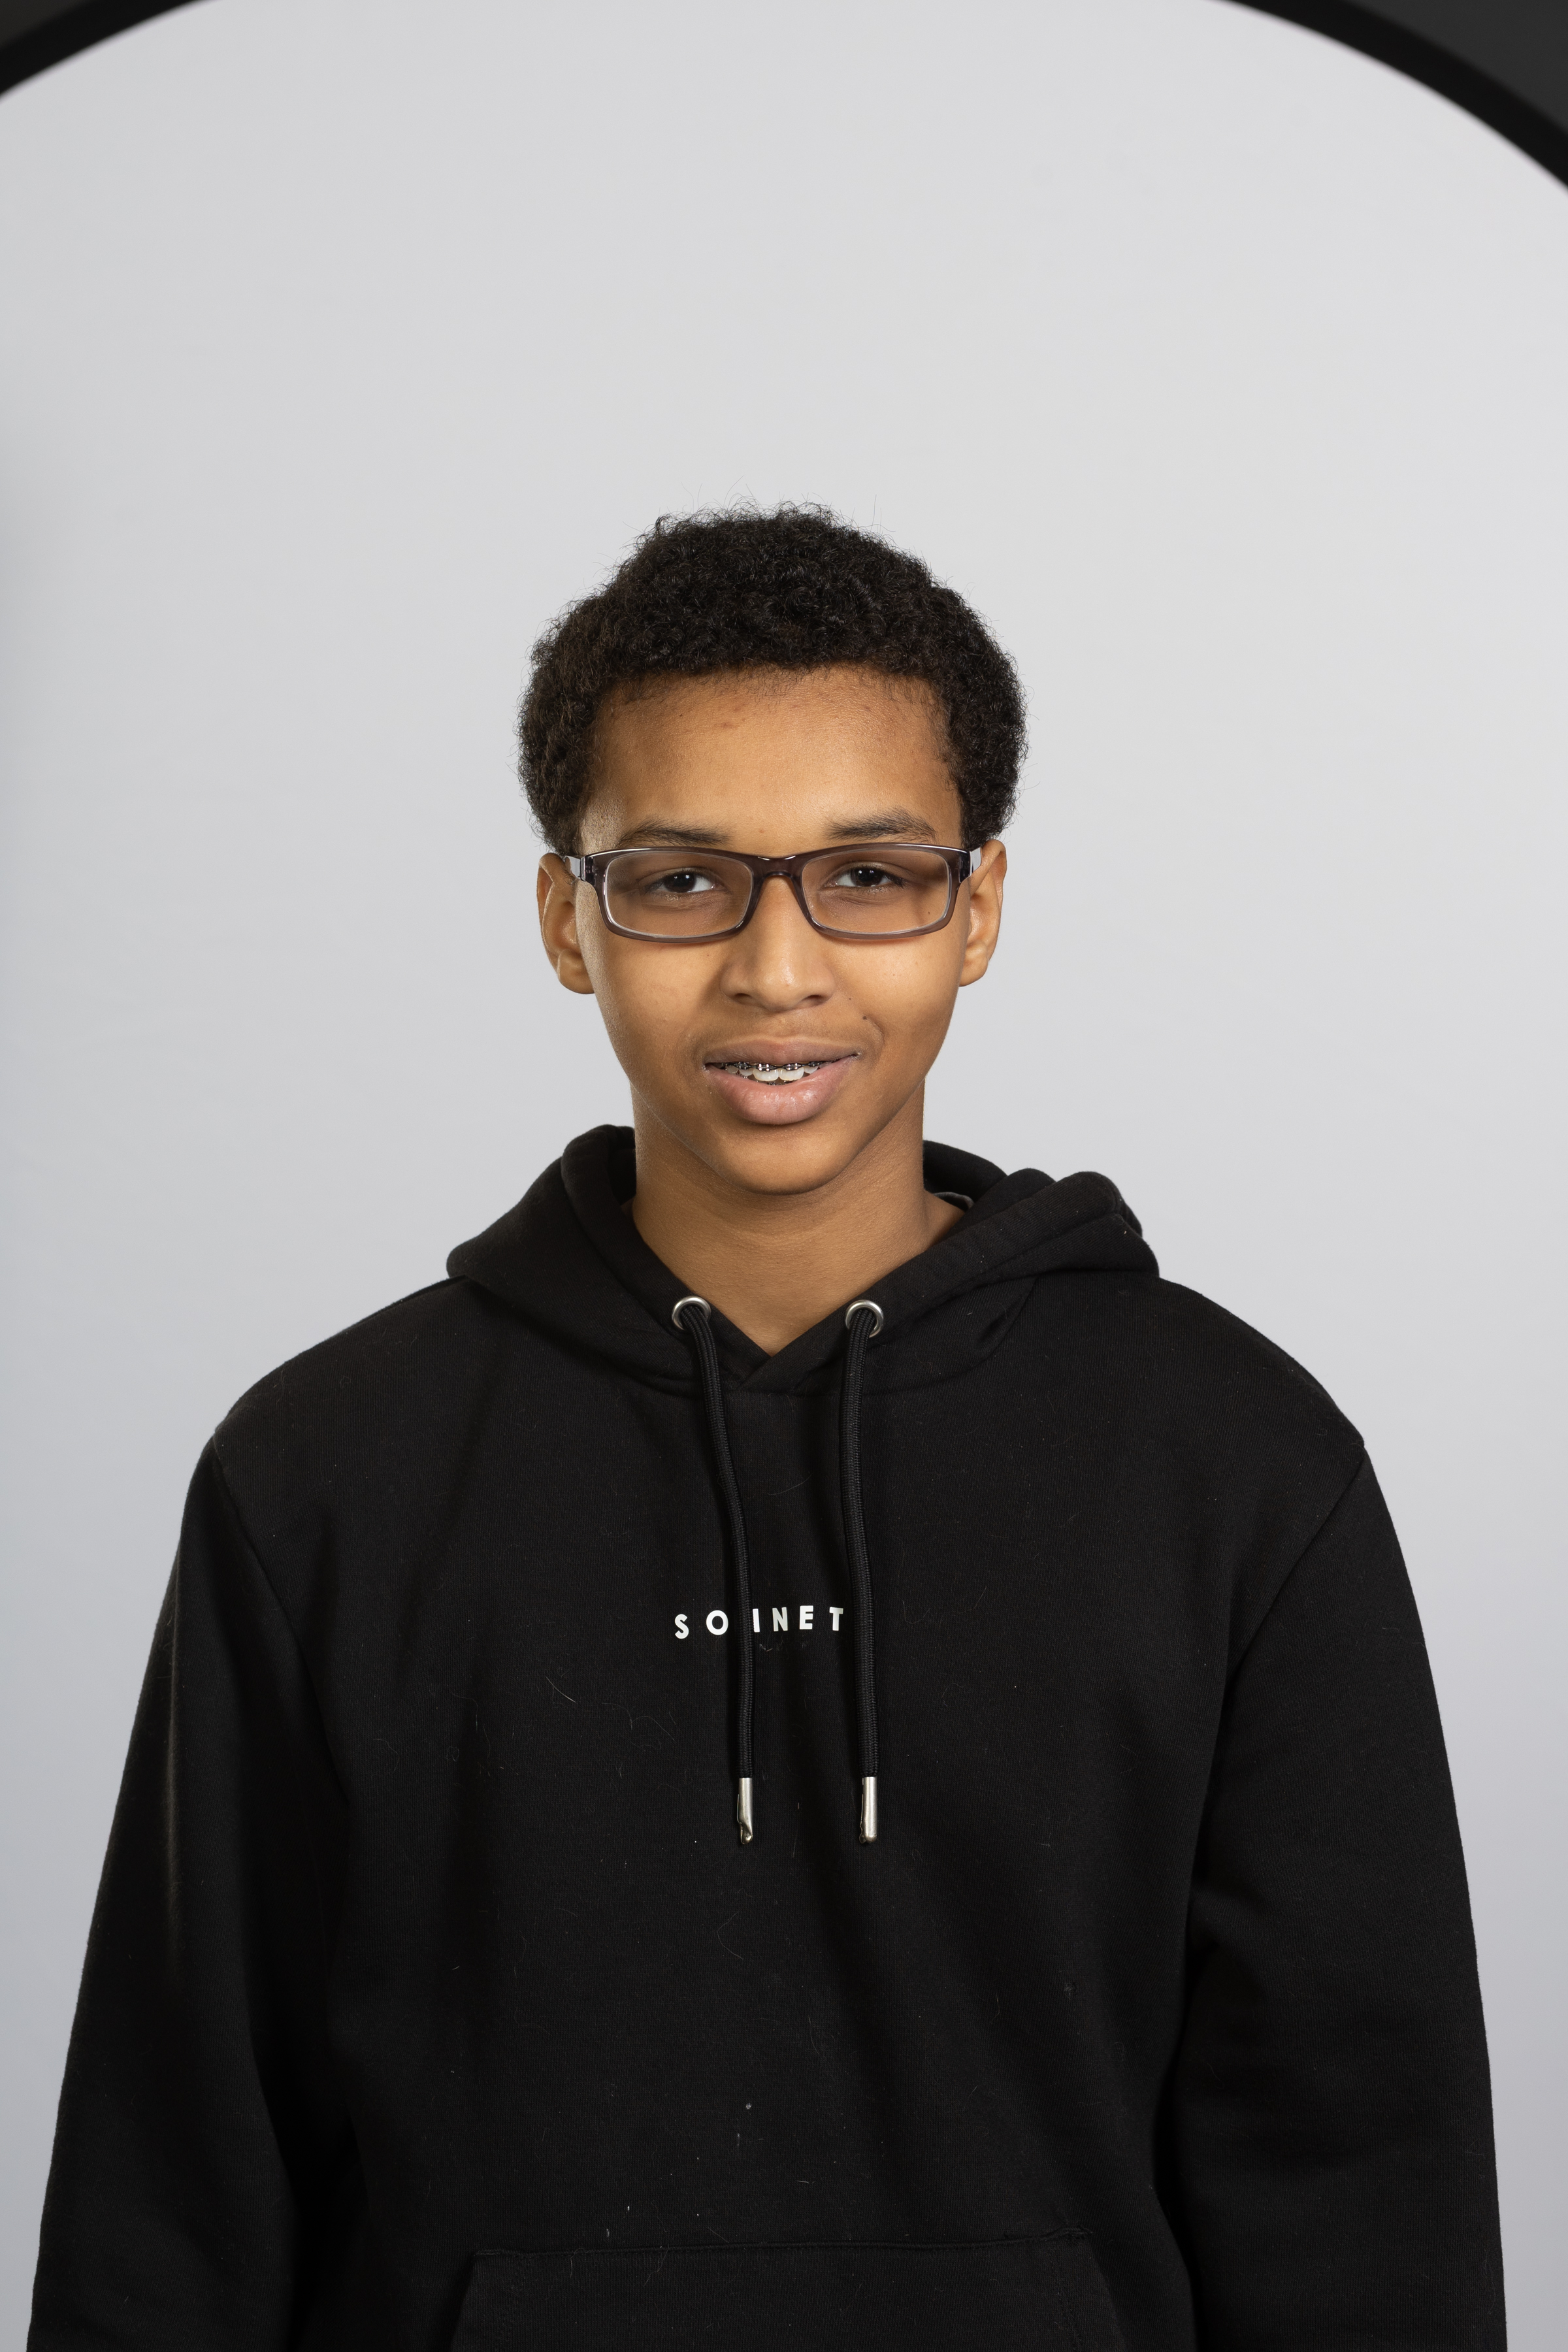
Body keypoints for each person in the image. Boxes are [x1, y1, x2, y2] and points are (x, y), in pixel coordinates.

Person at [29, 509, 1503, 2351]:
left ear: (978, 908)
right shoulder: (326, 1474)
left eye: (869, 875)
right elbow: (178, 2173)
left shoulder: (1237, 1467)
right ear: (569, 919)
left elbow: (1361, 2182)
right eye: (683, 880)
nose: (777, 967)